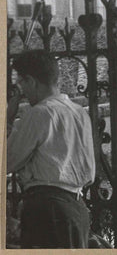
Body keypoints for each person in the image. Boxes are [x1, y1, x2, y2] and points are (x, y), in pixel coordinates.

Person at [7, 50, 95, 248]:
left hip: (48, 210)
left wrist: (7, 120)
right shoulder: (79, 112)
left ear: (31, 81)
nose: (22, 91)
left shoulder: (39, 113)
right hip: (76, 207)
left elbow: (7, 161)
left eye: (21, 84)